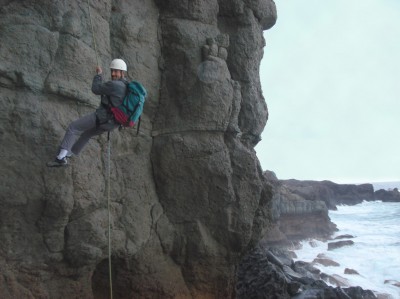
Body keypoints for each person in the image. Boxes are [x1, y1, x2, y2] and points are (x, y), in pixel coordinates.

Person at [47, 58, 128, 167]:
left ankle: (60, 158)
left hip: (102, 117)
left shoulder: (115, 85)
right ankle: (69, 153)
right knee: (87, 134)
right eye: (112, 71)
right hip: (112, 124)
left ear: (122, 72)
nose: (113, 74)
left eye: (116, 71)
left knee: (73, 127)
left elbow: (96, 89)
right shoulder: (127, 86)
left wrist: (98, 75)